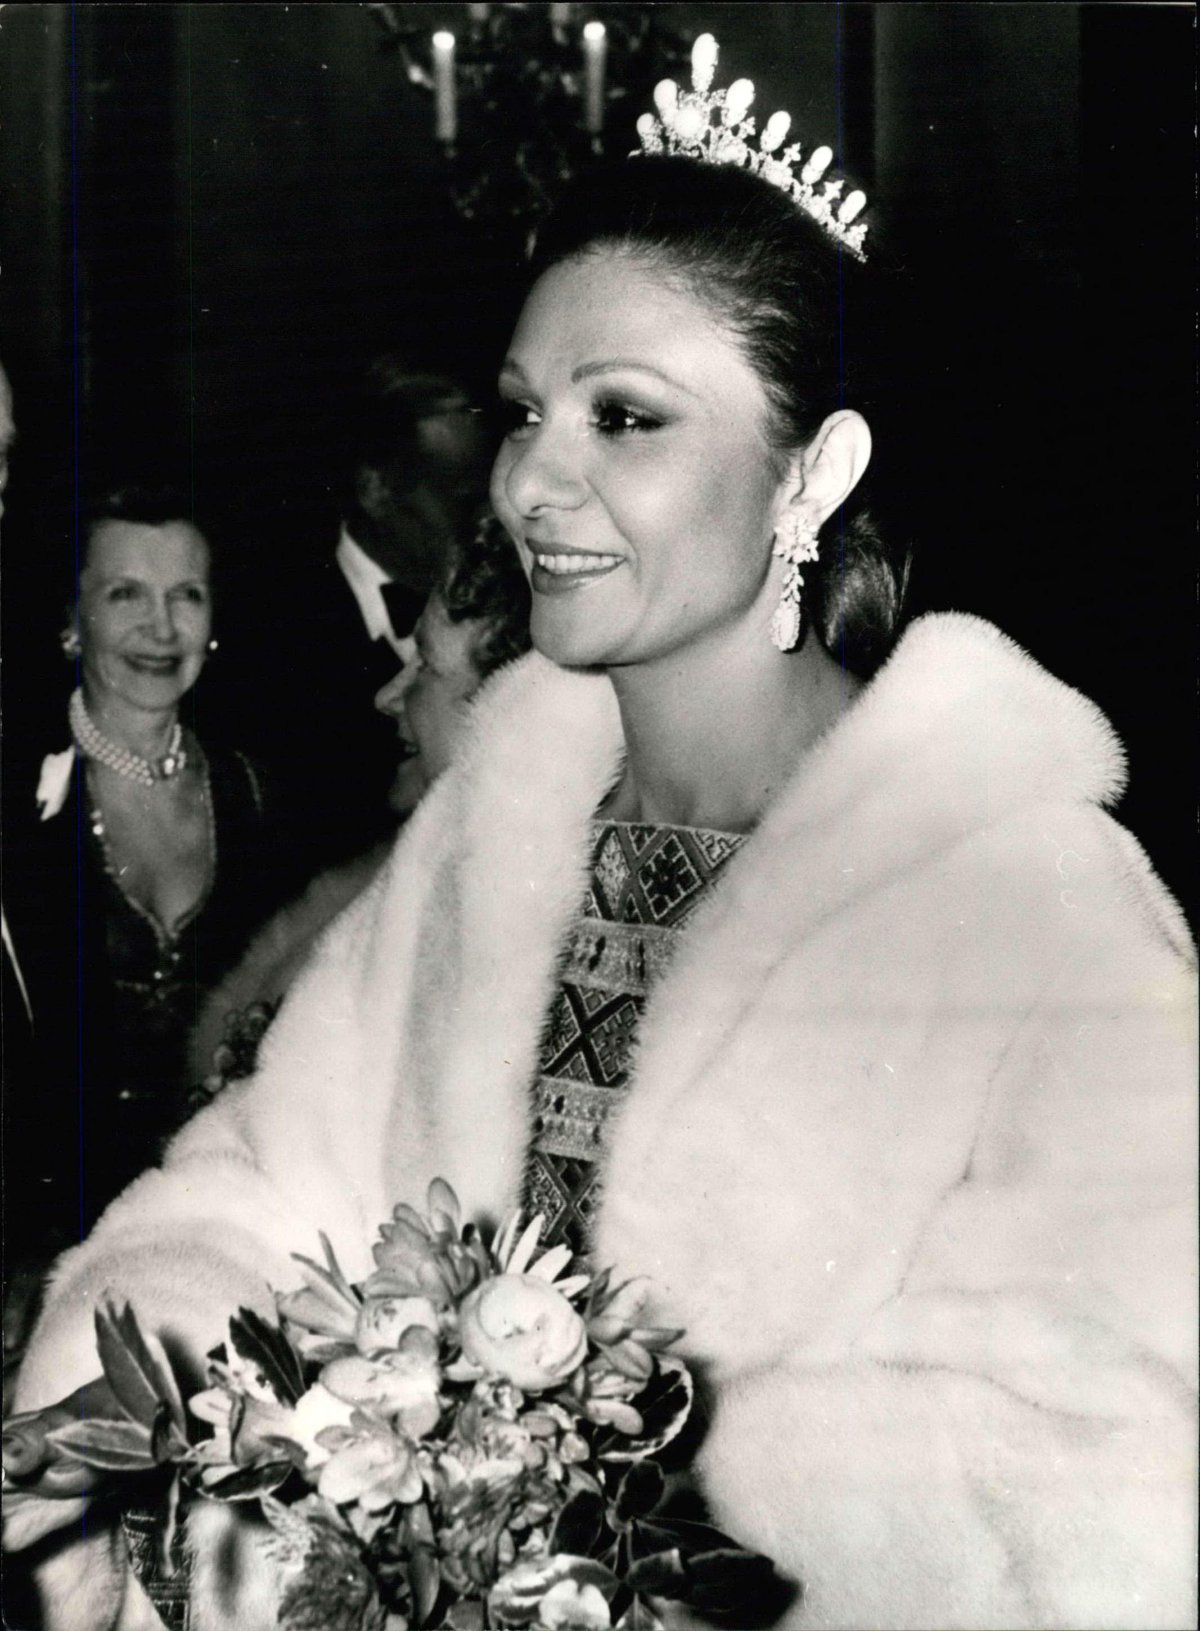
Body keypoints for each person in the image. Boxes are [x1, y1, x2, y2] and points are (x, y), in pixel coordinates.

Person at [5, 48, 1196, 1631]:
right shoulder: (494, 832)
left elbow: (1113, 1478)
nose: (526, 481)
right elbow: (246, 1197)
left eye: (624, 416)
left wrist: (613, 1535)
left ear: (812, 471)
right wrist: (268, 1515)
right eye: (520, 411)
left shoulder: (1027, 901)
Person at [0, 479, 297, 1307]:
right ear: (72, 619)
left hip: (216, 1223)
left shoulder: (255, 793)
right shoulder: (15, 799)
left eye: (186, 595)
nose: (161, 628)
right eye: (125, 593)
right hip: (40, 1239)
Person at [187, 512, 532, 1096]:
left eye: (425, 666)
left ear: (509, 707)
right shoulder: (384, 878)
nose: (387, 696)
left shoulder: (505, 938)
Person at [245, 357, 492, 869]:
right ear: (376, 490)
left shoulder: (501, 607)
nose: (487, 514)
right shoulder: (270, 633)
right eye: (462, 496)